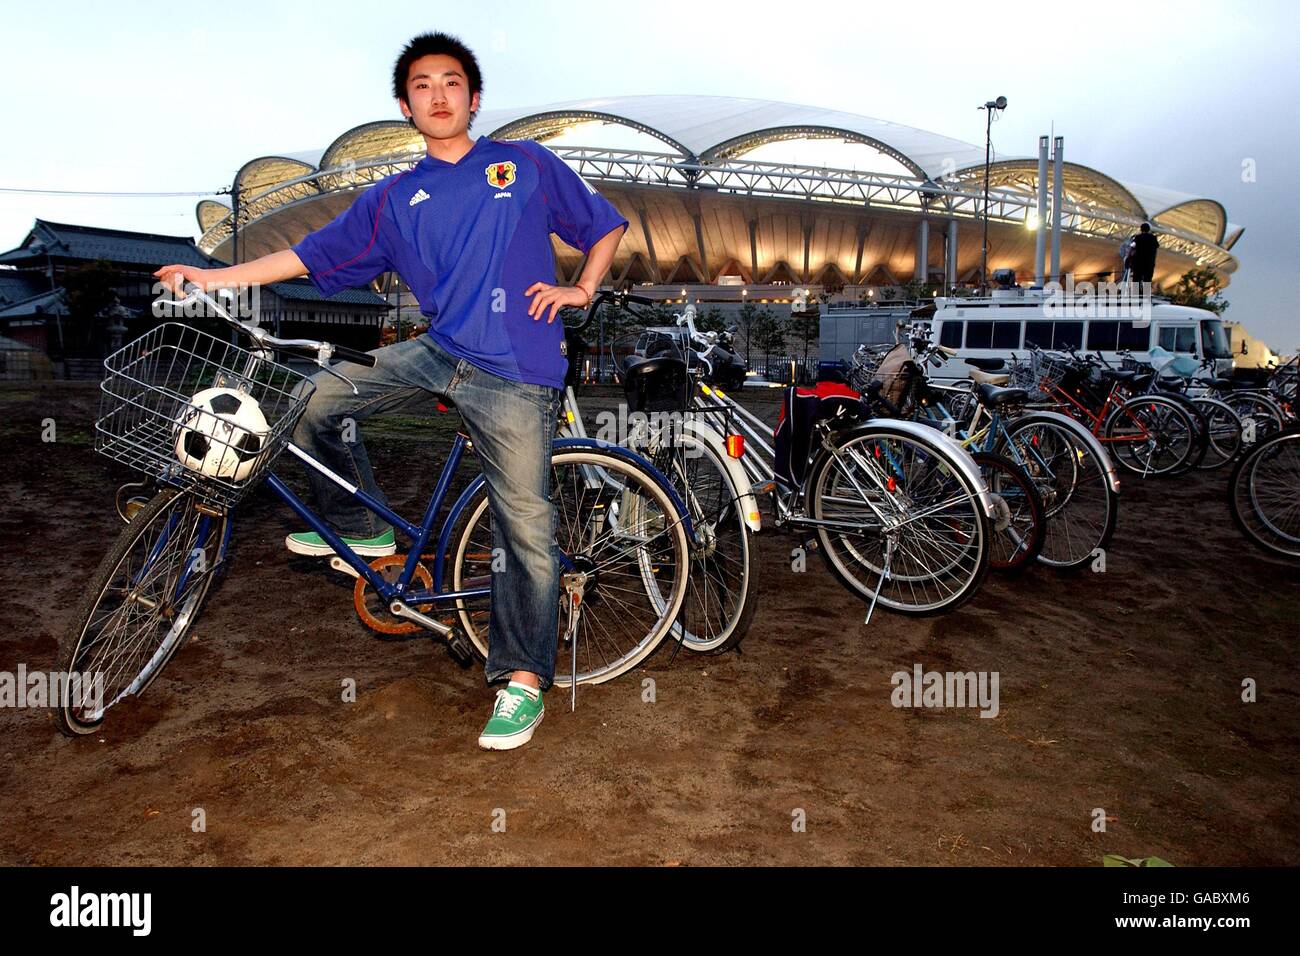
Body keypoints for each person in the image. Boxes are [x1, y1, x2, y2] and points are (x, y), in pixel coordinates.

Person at [156, 31, 629, 752]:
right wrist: (210, 276)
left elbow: (603, 225)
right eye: (421, 86)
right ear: (405, 107)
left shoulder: (523, 164)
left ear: (473, 98)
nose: (437, 95)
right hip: (439, 351)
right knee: (309, 399)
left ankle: (522, 684)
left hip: (517, 367)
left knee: (525, 527)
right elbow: (307, 254)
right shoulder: (393, 198)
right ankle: (360, 525)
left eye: (450, 83)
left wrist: (582, 288)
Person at [1129, 221, 1159, 291]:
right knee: (1147, 281)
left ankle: (1135, 297)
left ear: (1141, 229)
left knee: (1136, 280)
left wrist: (1129, 257)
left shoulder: (1137, 237)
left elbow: (1132, 247)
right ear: (1148, 230)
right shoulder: (1153, 238)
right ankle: (1146, 298)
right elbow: (1156, 248)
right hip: (1149, 263)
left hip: (1138, 263)